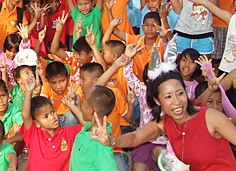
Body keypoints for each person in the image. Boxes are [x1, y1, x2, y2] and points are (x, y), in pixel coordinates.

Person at [92, 70, 236, 169]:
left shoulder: (211, 117)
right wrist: (111, 141)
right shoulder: (164, 123)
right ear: (157, 101)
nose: (177, 102)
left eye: (180, 93)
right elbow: (136, 137)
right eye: (168, 97)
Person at [20, 73, 82, 171]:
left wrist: (73, 106)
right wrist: (28, 91)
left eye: (53, 112)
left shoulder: (67, 133)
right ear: (37, 123)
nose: (53, 117)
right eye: (46, 116)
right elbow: (25, 115)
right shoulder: (34, 134)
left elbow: (87, 125)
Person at [70, 85, 117, 171]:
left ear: (91, 110)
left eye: (83, 103)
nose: (81, 105)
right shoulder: (87, 128)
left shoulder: (100, 144)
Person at [40, 61, 83, 127]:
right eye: (53, 83)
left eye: (62, 81)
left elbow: (80, 108)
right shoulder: (46, 86)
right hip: (53, 119)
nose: (58, 86)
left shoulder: (75, 88)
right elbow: (42, 101)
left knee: (71, 115)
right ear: (48, 81)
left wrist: (74, 99)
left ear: (68, 77)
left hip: (70, 121)